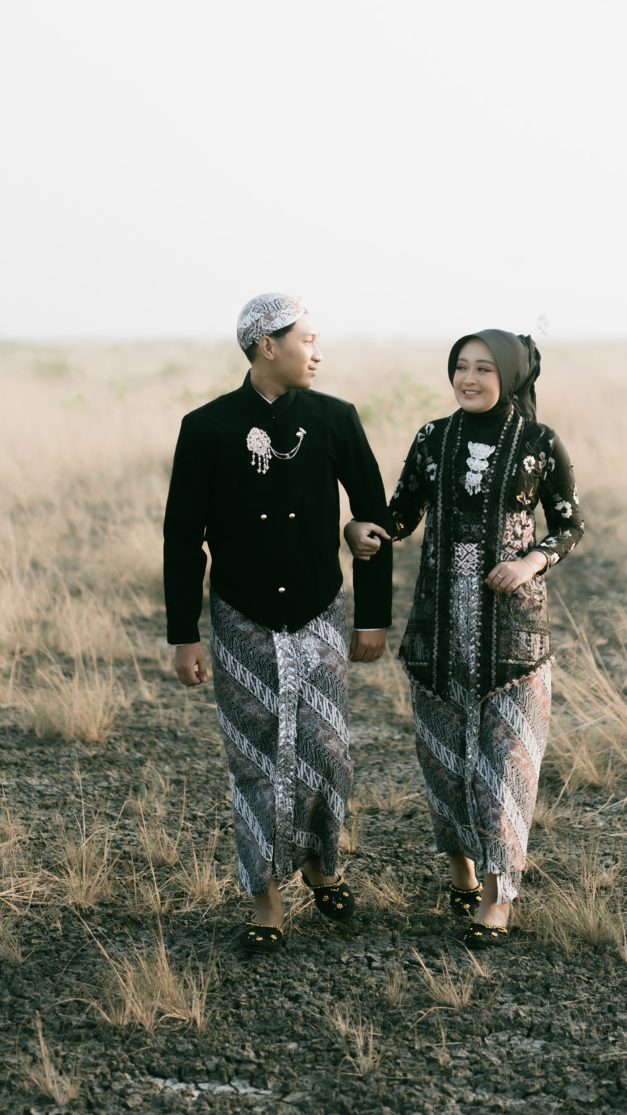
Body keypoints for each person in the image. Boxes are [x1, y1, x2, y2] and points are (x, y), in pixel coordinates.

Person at [164, 293, 392, 952]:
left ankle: (321, 863)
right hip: (241, 616)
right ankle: (265, 897)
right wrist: (184, 634)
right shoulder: (206, 427)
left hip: (320, 611)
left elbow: (373, 516)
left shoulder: (335, 418)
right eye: (307, 340)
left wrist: (372, 617)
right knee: (255, 758)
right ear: (268, 345)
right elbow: (183, 538)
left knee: (328, 752)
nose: (317, 353)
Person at [348, 330, 584, 946]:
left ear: (510, 375)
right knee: (444, 762)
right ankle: (462, 874)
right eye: (460, 367)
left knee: (507, 766)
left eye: (484, 368)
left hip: (514, 637)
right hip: (437, 631)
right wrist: (365, 529)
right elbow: (403, 513)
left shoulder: (539, 442)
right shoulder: (433, 437)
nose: (469, 379)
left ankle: (498, 898)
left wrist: (530, 562)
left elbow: (570, 524)